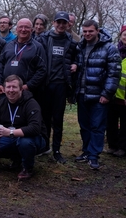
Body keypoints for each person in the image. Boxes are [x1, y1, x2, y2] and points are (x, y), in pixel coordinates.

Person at [75, 20, 121, 170]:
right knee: (84, 126)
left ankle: (94, 156)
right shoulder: (80, 47)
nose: (87, 34)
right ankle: (87, 151)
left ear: (97, 31)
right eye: (85, 31)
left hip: (99, 95)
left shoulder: (109, 48)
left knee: (97, 126)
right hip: (82, 93)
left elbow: (114, 73)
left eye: (90, 31)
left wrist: (107, 93)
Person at [0, 75, 47, 180]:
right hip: (10, 137)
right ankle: (17, 158)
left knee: (25, 143)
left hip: (33, 138)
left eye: (14, 87)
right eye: (8, 87)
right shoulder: (2, 103)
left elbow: (35, 128)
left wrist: (10, 133)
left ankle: (27, 168)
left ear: (21, 89)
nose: (11, 90)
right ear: (4, 89)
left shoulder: (31, 103)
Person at [36, 11, 78, 163]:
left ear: (68, 24)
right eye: (58, 22)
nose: (61, 25)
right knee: (44, 118)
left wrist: (76, 64)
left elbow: (77, 59)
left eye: (64, 23)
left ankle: (57, 150)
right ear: (53, 23)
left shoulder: (72, 42)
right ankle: (45, 146)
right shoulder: (43, 39)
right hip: (45, 85)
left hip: (61, 85)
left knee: (58, 120)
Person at [0, 18, 47, 100]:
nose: (23, 30)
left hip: (26, 92)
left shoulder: (37, 47)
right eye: (21, 27)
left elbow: (42, 70)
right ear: (16, 29)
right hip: (7, 91)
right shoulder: (8, 45)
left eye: (26, 27)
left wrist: (29, 85)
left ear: (31, 29)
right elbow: (0, 65)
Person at [106, 25, 126, 157]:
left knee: (125, 124)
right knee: (111, 122)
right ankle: (112, 146)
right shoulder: (114, 51)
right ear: (120, 36)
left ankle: (123, 148)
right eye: (125, 35)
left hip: (124, 97)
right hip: (112, 95)